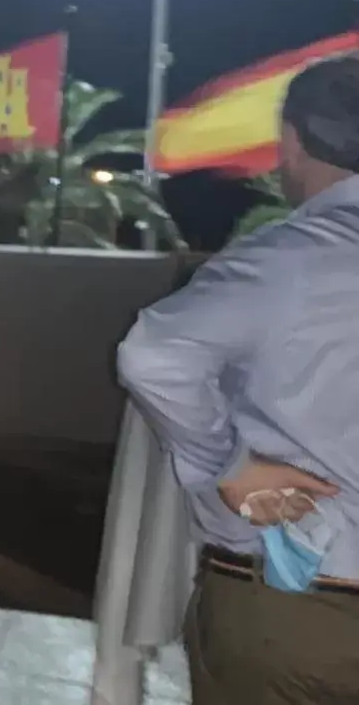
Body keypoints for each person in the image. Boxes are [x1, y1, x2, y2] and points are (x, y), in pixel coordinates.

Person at [118, 55, 359, 702]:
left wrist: (226, 466)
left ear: (292, 142)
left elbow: (154, 352)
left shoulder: (288, 258)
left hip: (299, 611)